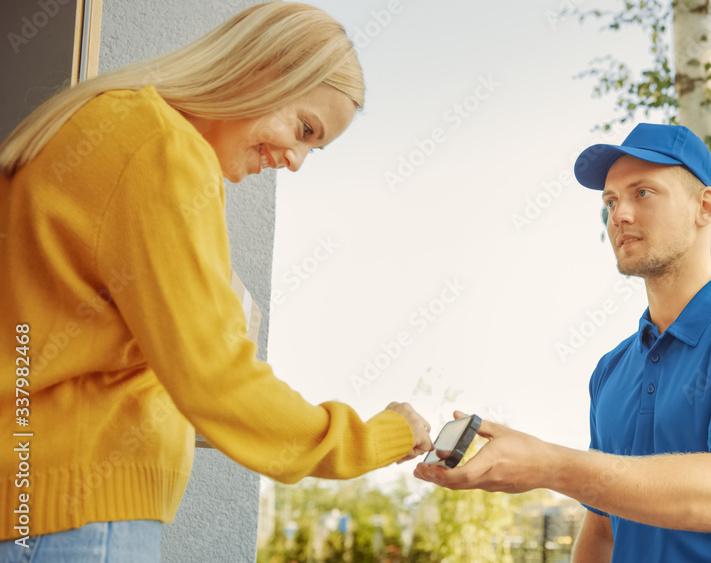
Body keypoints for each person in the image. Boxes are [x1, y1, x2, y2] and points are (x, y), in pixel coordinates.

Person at [0, 3, 432, 560]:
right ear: (266, 69)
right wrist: (378, 438)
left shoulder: (116, 125)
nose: (296, 161)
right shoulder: (159, 149)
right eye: (304, 129)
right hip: (76, 512)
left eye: (312, 149)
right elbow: (217, 377)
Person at [415, 123, 711, 561]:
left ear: (705, 207)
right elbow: (603, 530)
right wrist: (553, 468)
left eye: (643, 193)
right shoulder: (611, 370)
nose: (619, 215)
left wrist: (549, 465)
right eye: (610, 201)